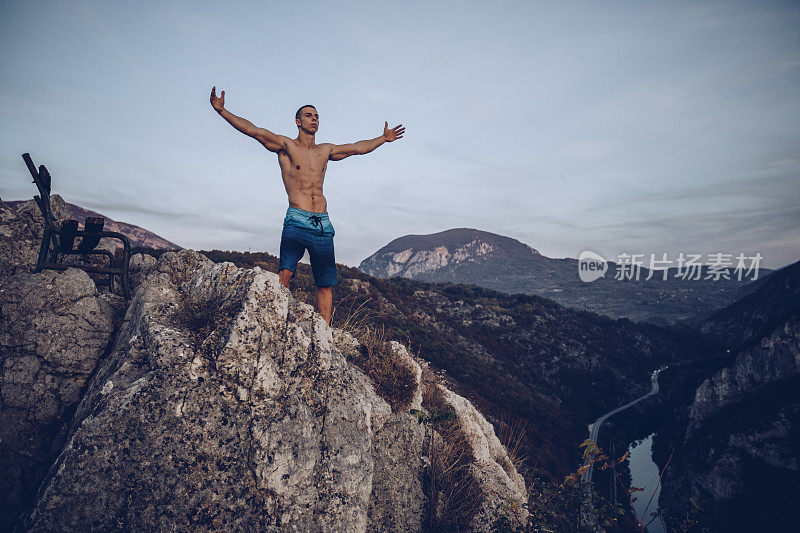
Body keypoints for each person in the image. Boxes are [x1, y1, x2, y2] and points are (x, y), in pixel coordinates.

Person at [210, 86, 405, 325]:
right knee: (286, 273)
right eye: (309, 115)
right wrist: (222, 111)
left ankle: (325, 332)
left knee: (325, 282)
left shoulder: (325, 150)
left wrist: (383, 139)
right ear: (298, 121)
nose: (314, 119)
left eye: (317, 116)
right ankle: (274, 320)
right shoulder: (286, 146)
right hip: (296, 219)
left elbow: (356, 148)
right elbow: (253, 131)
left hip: (322, 223)